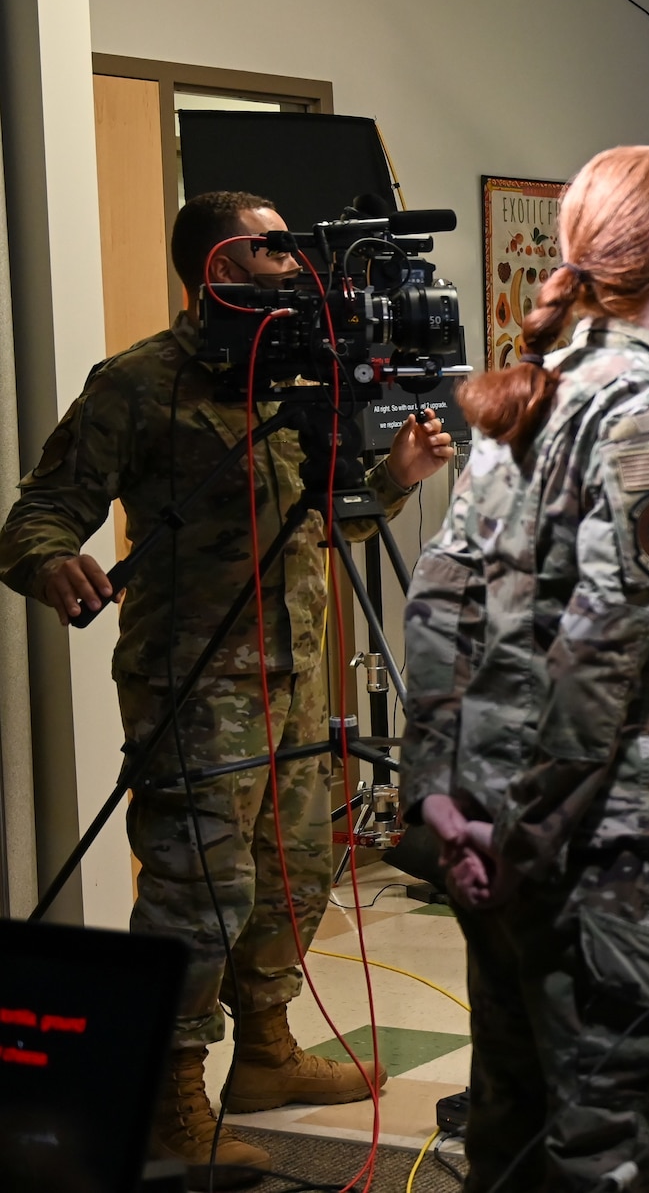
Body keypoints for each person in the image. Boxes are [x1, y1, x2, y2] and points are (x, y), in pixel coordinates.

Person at [0, 189, 455, 1183]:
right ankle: (169, 1098)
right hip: (194, 683)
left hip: (296, 676)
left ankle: (267, 1053)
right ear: (218, 268)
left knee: (293, 870)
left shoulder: (303, 377)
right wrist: (51, 564)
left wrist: (399, 477)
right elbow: (37, 514)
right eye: (273, 249)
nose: (295, 265)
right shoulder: (138, 382)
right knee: (200, 893)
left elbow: (331, 521)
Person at [401, 145, 649, 1188]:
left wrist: (440, 803)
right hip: (601, 852)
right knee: (611, 1140)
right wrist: (528, 827)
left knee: (511, 1128)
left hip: (490, 830)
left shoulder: (526, 399)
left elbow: (434, 600)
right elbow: (599, 647)